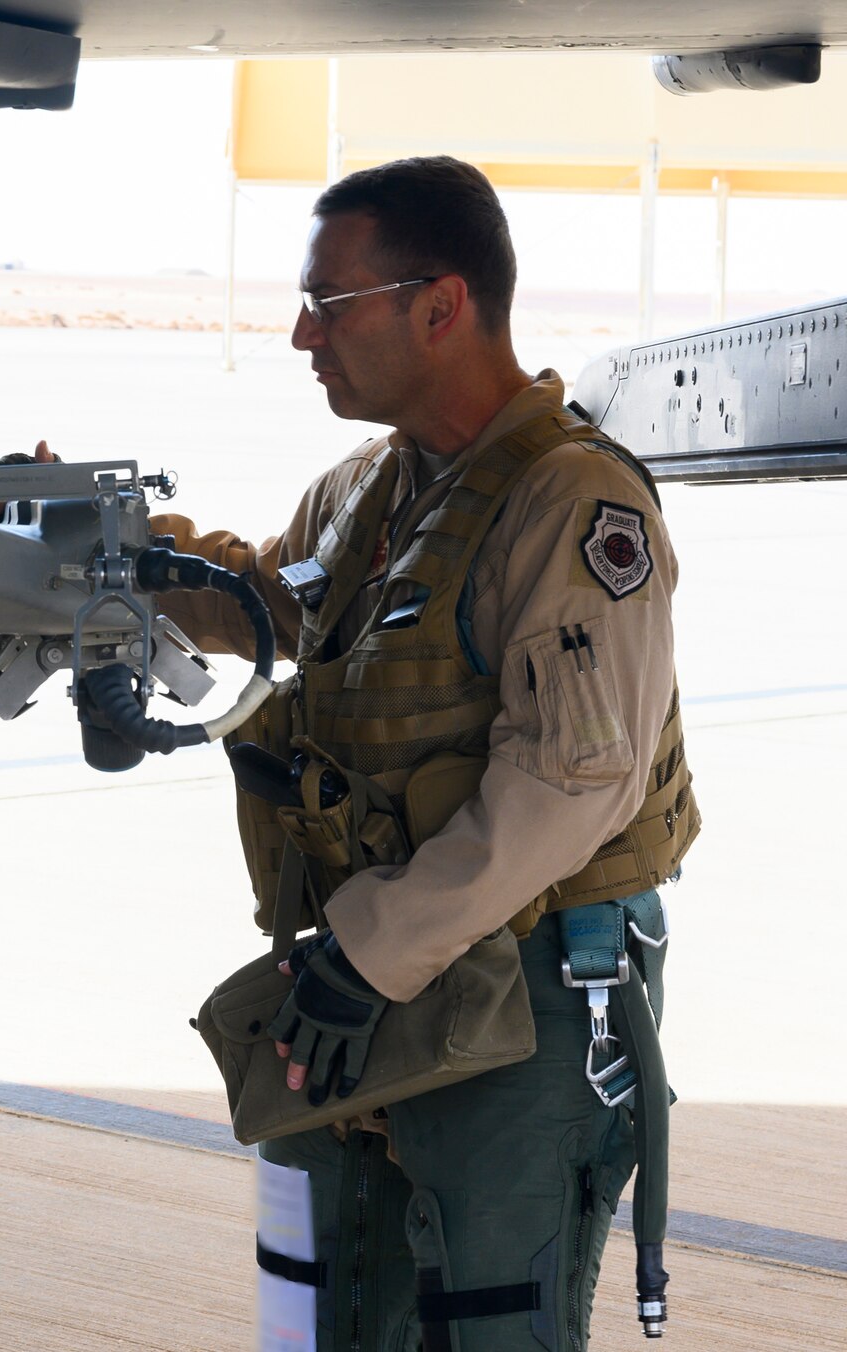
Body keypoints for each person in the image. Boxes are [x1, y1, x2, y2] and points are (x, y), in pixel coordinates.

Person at [137, 157, 699, 1349]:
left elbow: (570, 781)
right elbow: (271, 609)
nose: (301, 334)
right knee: (320, 1311)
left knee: (489, 1324)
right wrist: (120, 555)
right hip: (364, 979)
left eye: (327, 304)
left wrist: (364, 950)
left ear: (438, 305)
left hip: (523, 990)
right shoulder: (367, 489)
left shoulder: (570, 503)